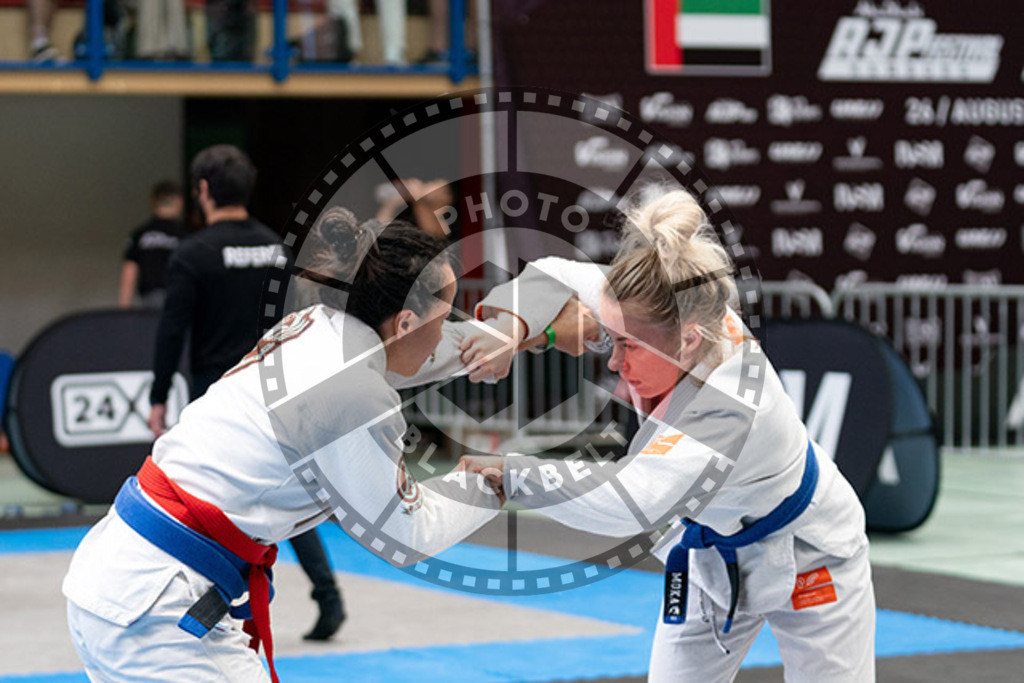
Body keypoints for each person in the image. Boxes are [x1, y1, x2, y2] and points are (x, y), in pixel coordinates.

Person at [460, 188, 876, 682]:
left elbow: (633, 501)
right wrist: (513, 327)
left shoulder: (730, 404)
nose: (613, 361)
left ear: (690, 342)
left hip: (810, 551)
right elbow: (554, 272)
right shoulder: (665, 306)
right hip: (709, 555)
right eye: (611, 339)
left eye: (627, 346)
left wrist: (520, 476)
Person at [145, 144, 344, 642]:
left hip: (220, 399)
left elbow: (172, 332)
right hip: (278, 390)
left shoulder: (192, 254)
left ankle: (212, 604)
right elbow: (301, 319)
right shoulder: (278, 249)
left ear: (204, 191)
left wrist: (156, 398)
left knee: (211, 500)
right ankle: (328, 595)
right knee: (283, 491)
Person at [118, 180, 187, 310]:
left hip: (151, 300)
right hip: (179, 298)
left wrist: (124, 311)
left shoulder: (140, 234)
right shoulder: (185, 235)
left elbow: (129, 272)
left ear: (153, 202)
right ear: (179, 202)